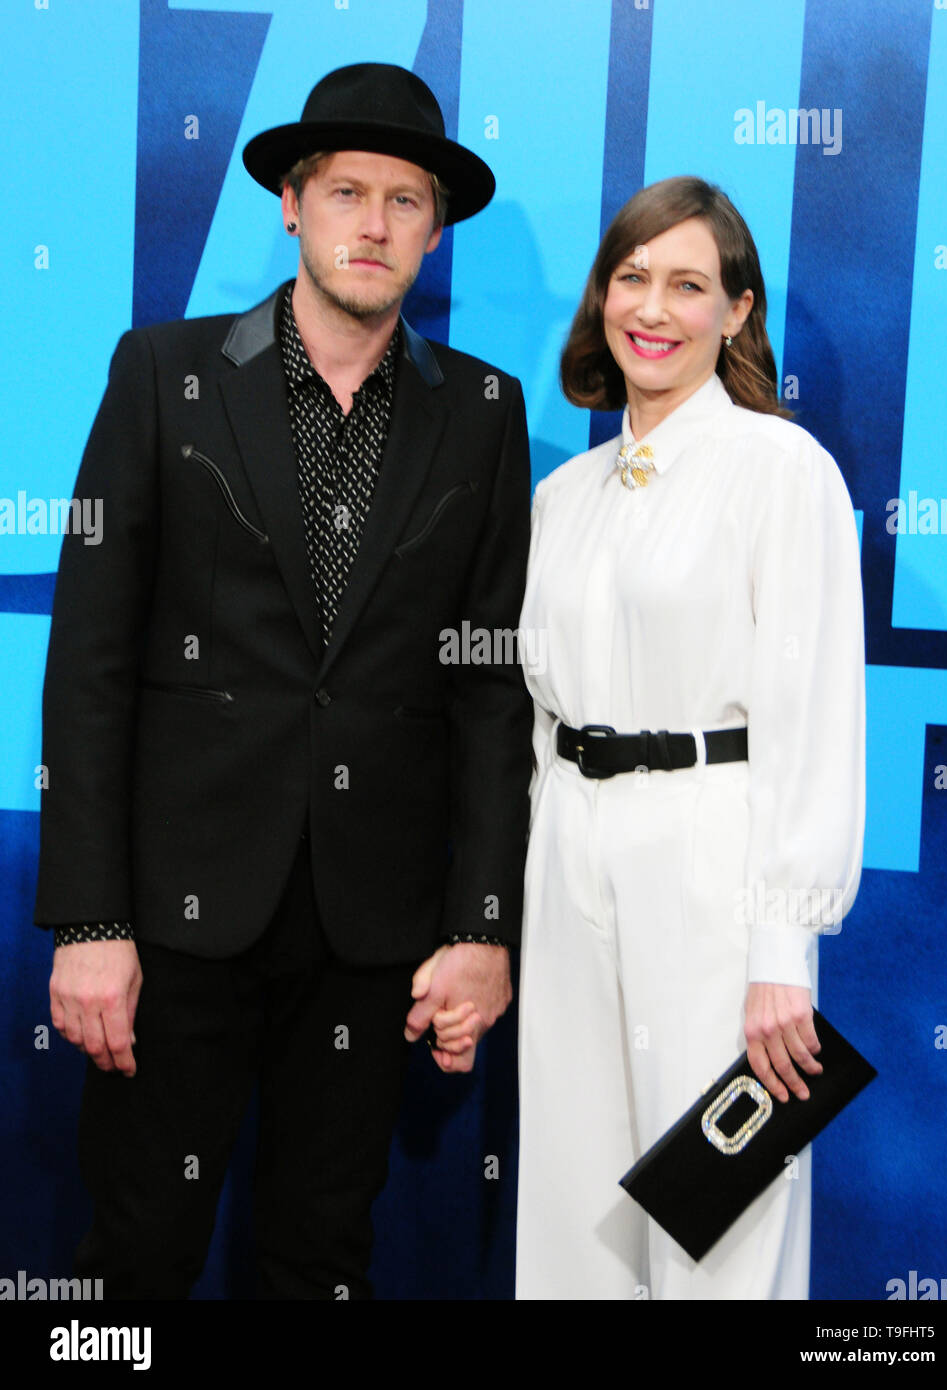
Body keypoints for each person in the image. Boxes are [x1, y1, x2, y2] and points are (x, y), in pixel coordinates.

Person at [34, 62, 532, 1300]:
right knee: (137, 1257)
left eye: (404, 200)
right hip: (175, 916)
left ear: (434, 226)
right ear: (291, 205)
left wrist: (479, 927)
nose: (374, 223)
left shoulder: (481, 412)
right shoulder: (164, 373)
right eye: (347, 192)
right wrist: (91, 920)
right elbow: (89, 660)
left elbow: (488, 695)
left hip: (371, 931)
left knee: (320, 1258)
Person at [514, 176, 865, 1299]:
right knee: (578, 1213)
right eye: (630, 279)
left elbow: (810, 722)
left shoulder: (781, 471)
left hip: (711, 868)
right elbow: (539, 717)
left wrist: (781, 951)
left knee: (718, 1222)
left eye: (687, 284)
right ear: (600, 299)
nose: (652, 309)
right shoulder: (564, 495)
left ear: (738, 312)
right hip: (569, 857)